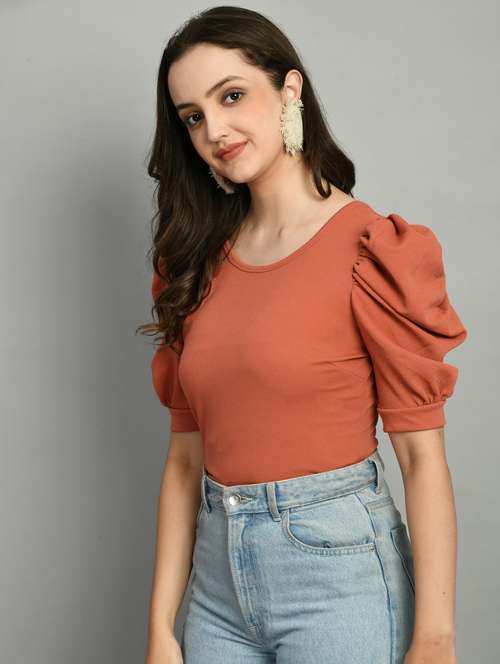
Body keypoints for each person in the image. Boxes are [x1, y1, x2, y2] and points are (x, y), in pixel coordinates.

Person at [138, 7, 468, 664]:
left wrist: (435, 636)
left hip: (339, 577)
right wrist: (160, 629)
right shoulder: (193, 265)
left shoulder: (371, 250)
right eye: (193, 117)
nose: (214, 130)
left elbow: (421, 459)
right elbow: (183, 463)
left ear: (290, 89)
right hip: (216, 583)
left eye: (232, 96)